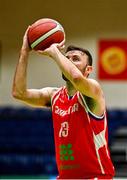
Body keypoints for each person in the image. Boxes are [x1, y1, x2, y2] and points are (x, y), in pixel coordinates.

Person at [12, 28, 115, 179]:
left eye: (76, 59)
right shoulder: (54, 95)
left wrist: (55, 53)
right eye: (67, 58)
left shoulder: (93, 91)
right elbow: (19, 93)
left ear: (89, 69)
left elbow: (77, 79)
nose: (69, 61)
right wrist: (24, 51)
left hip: (96, 177)